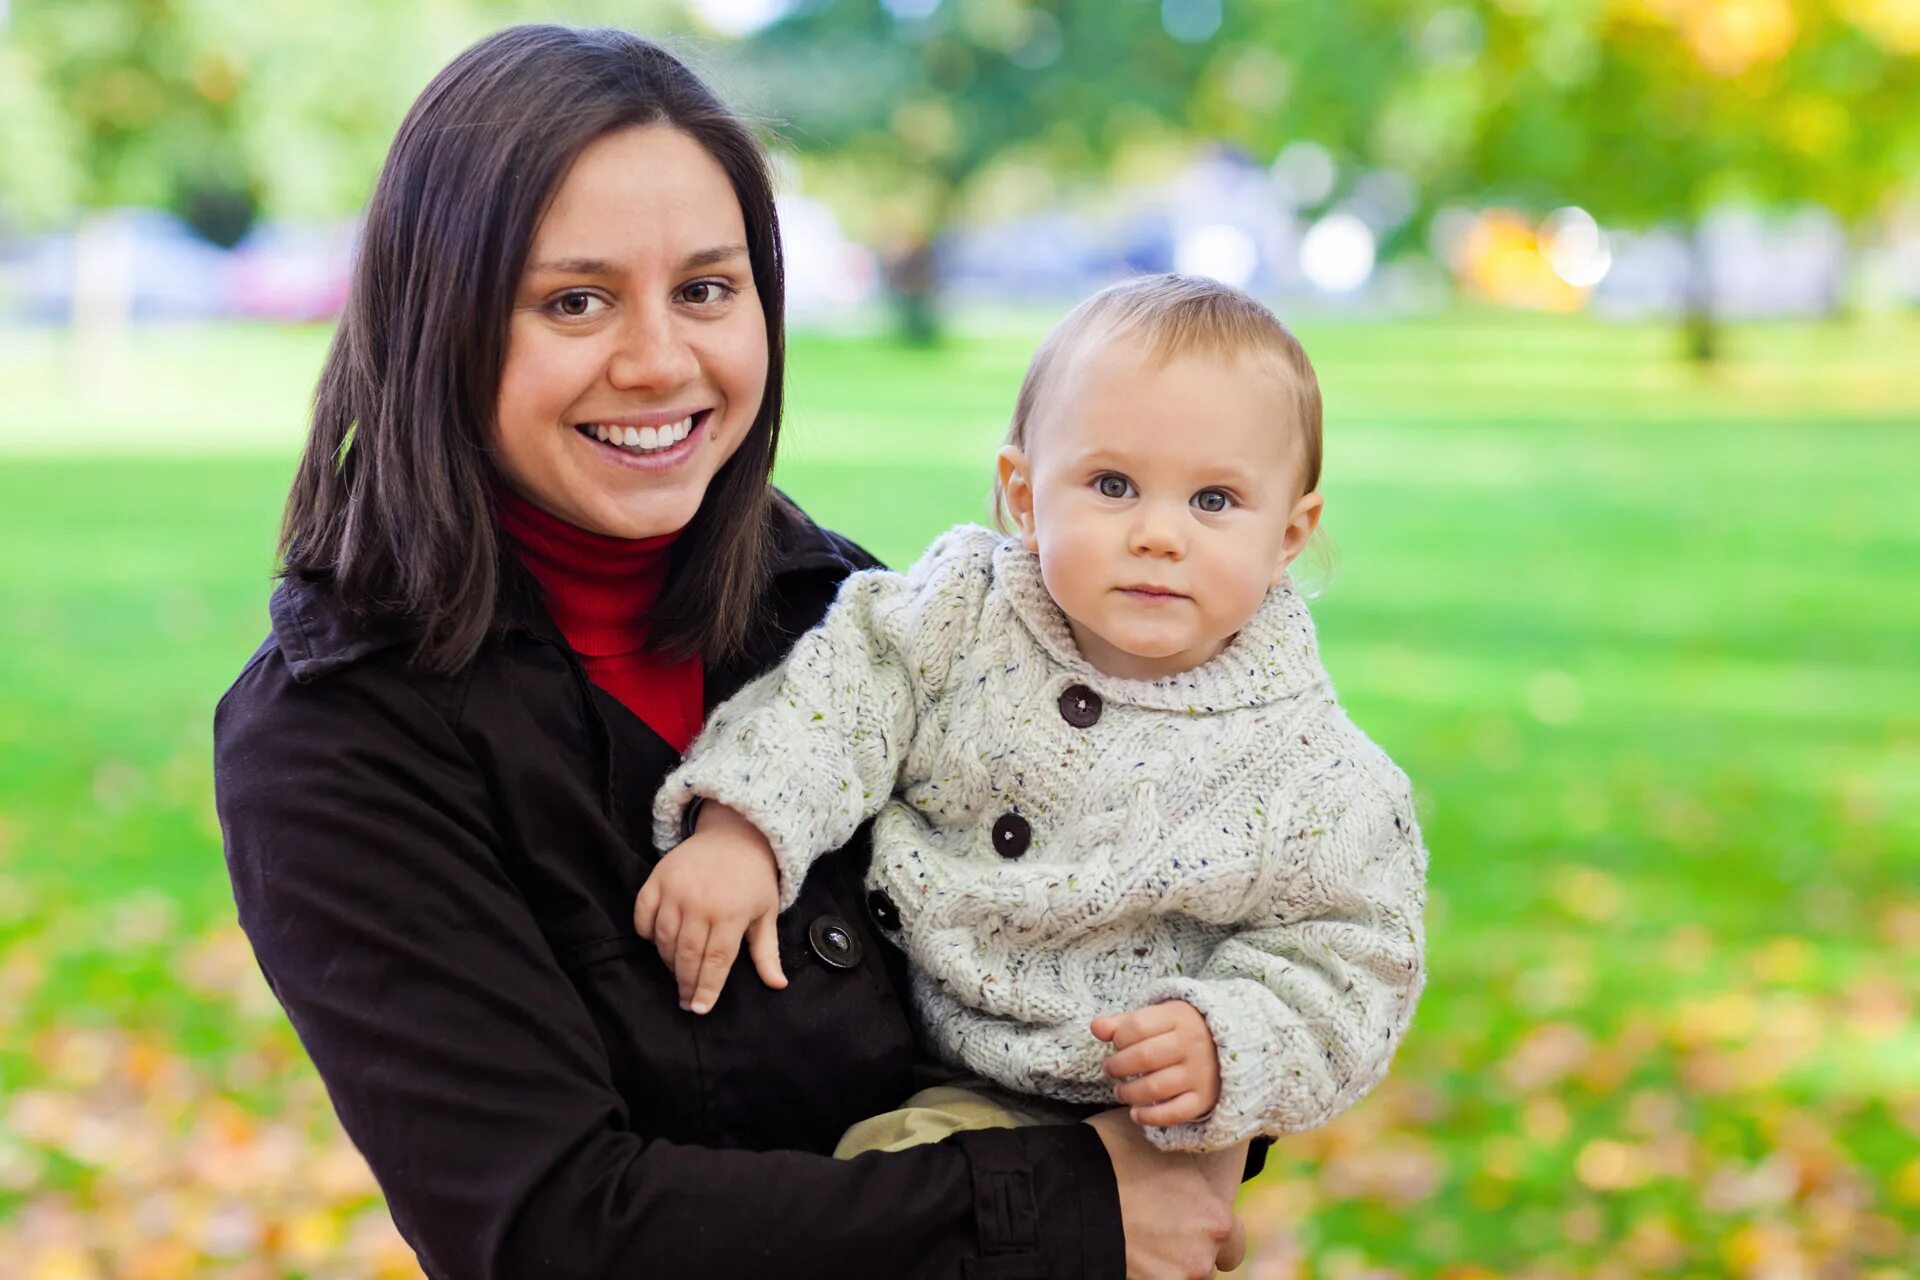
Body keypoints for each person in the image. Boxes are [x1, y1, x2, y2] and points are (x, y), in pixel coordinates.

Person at [213, 25, 1249, 1280]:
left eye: (706, 289)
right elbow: (551, 1228)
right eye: (574, 300)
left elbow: (1128, 940)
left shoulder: (856, 615)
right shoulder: (336, 736)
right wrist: (1073, 1204)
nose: (660, 361)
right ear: (442, 322)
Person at [638, 275, 1428, 1177]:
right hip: (897, 1022)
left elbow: (1352, 961)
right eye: (1112, 484)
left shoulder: (1316, 777)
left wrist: (1229, 1041)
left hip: (1115, 1111)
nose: (1160, 535)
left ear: (1290, 534)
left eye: (1214, 501)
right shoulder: (959, 617)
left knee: (890, 1179)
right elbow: (838, 701)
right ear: (1022, 492)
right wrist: (747, 828)